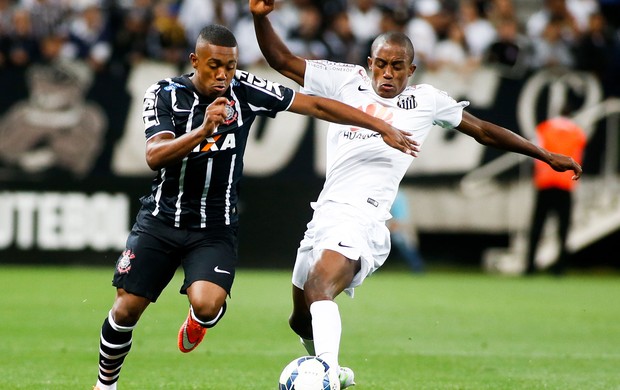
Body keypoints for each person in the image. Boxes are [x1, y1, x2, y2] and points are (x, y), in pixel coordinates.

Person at [249, 0, 583, 387]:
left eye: (396, 66)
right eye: (380, 63)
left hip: (365, 217)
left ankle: (323, 372)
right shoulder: (344, 80)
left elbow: (484, 130)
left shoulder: (427, 100)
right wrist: (260, 17)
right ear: (369, 62)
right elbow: (283, 61)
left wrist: (543, 154)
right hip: (325, 211)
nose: (387, 74)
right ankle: (333, 370)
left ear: (411, 69)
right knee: (300, 317)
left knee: (320, 286)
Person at [92, 24, 418, 390]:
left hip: (214, 227)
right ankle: (106, 385)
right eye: (214, 65)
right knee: (126, 310)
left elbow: (314, 104)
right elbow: (155, 156)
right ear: (194, 60)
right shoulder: (164, 94)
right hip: (161, 219)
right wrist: (202, 130)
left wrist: (378, 124)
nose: (223, 75)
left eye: (230, 66)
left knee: (207, 304)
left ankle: (202, 318)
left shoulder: (244, 89)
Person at [524, 107, 586, 276]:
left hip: (545, 182)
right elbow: (579, 155)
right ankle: (560, 267)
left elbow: (533, 152)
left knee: (537, 226)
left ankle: (529, 266)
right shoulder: (577, 132)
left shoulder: (544, 127)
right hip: (566, 184)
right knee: (563, 228)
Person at [388, 189, 425, 273]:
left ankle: (418, 268)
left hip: (399, 225)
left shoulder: (396, 195)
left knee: (406, 247)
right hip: (396, 224)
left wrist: (392, 228)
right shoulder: (399, 194)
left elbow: (400, 216)